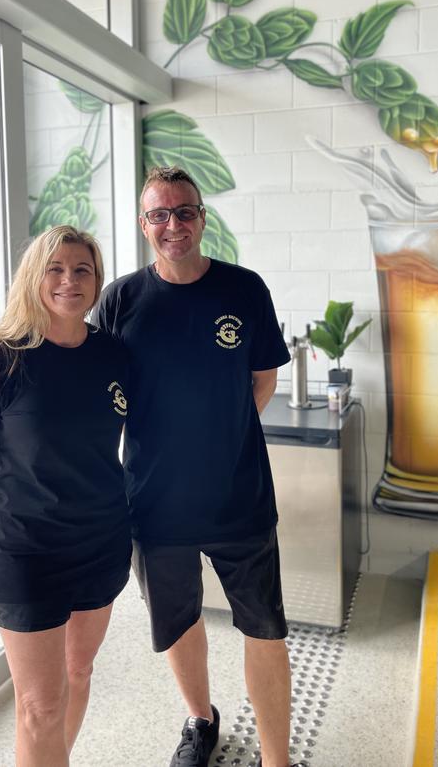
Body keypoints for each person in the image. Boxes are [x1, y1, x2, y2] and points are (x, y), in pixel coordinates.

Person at [94, 166, 305, 767]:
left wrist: (219, 431)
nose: (173, 224)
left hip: (239, 496)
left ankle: (275, 757)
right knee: (177, 621)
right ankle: (200, 720)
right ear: (144, 226)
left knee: (264, 627)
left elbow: (262, 380)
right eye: (159, 214)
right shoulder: (121, 300)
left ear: (202, 218)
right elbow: (101, 385)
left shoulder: (243, 289)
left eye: (184, 211)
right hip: (155, 503)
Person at [0, 226, 131, 767]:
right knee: (41, 706)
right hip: (27, 554)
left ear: (96, 284)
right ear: (34, 278)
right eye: (55, 269)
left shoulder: (114, 356)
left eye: (82, 270)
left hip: (101, 542)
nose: (69, 280)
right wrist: (7, 535)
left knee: (78, 673)